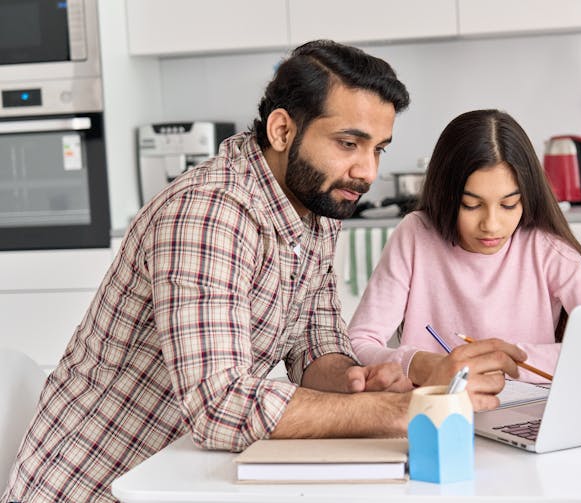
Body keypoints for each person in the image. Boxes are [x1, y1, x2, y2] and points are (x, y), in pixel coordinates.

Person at [3, 43, 527, 503]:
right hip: (98, 486)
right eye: (349, 143)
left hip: (185, 474)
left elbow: (316, 350)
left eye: (377, 149)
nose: (368, 171)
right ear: (282, 129)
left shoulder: (315, 207)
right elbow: (219, 407)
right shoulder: (208, 216)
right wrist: (398, 410)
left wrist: (360, 381)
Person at [348, 109, 581, 387]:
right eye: (471, 205)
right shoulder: (417, 233)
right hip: (440, 410)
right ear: (446, 196)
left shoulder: (545, 247)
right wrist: (417, 364)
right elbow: (358, 342)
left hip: (528, 407)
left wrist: (504, 361)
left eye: (509, 205)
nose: (492, 225)